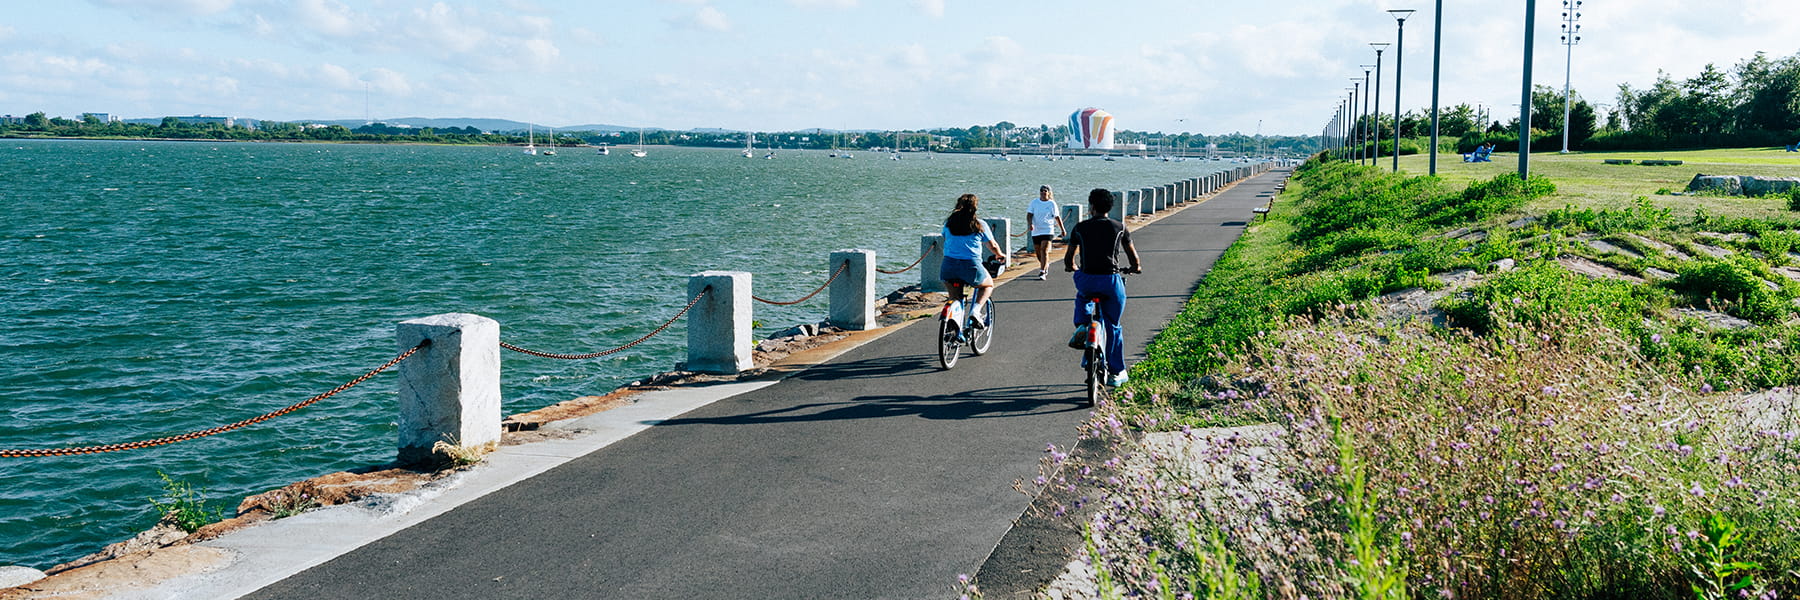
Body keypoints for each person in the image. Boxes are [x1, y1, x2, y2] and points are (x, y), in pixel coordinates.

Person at [1063, 188, 1142, 387]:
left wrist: (1071, 267)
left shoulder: (1080, 228)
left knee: (1082, 297)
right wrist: (1135, 268)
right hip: (1110, 280)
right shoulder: (1120, 227)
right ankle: (1116, 373)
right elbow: (1133, 257)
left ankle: (1082, 323)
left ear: (1091, 206)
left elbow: (1069, 258)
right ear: (1109, 207)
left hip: (1088, 280)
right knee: (1113, 325)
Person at [940, 193, 1006, 326]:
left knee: (954, 298)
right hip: (970, 266)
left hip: (948, 266)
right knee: (988, 285)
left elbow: (945, 238)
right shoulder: (979, 225)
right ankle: (975, 311)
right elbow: (992, 245)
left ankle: (954, 326)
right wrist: (1000, 254)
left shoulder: (949, 223)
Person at [1025, 185, 1067, 280]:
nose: (1043, 192)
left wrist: (1062, 229)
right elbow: (1029, 215)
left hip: (1047, 230)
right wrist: (1030, 224)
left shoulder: (1052, 204)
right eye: (1041, 191)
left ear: (1049, 192)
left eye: (1045, 191)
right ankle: (1045, 264)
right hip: (1036, 230)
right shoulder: (1034, 202)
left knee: (1044, 250)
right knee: (1038, 252)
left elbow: (1057, 217)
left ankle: (1042, 271)